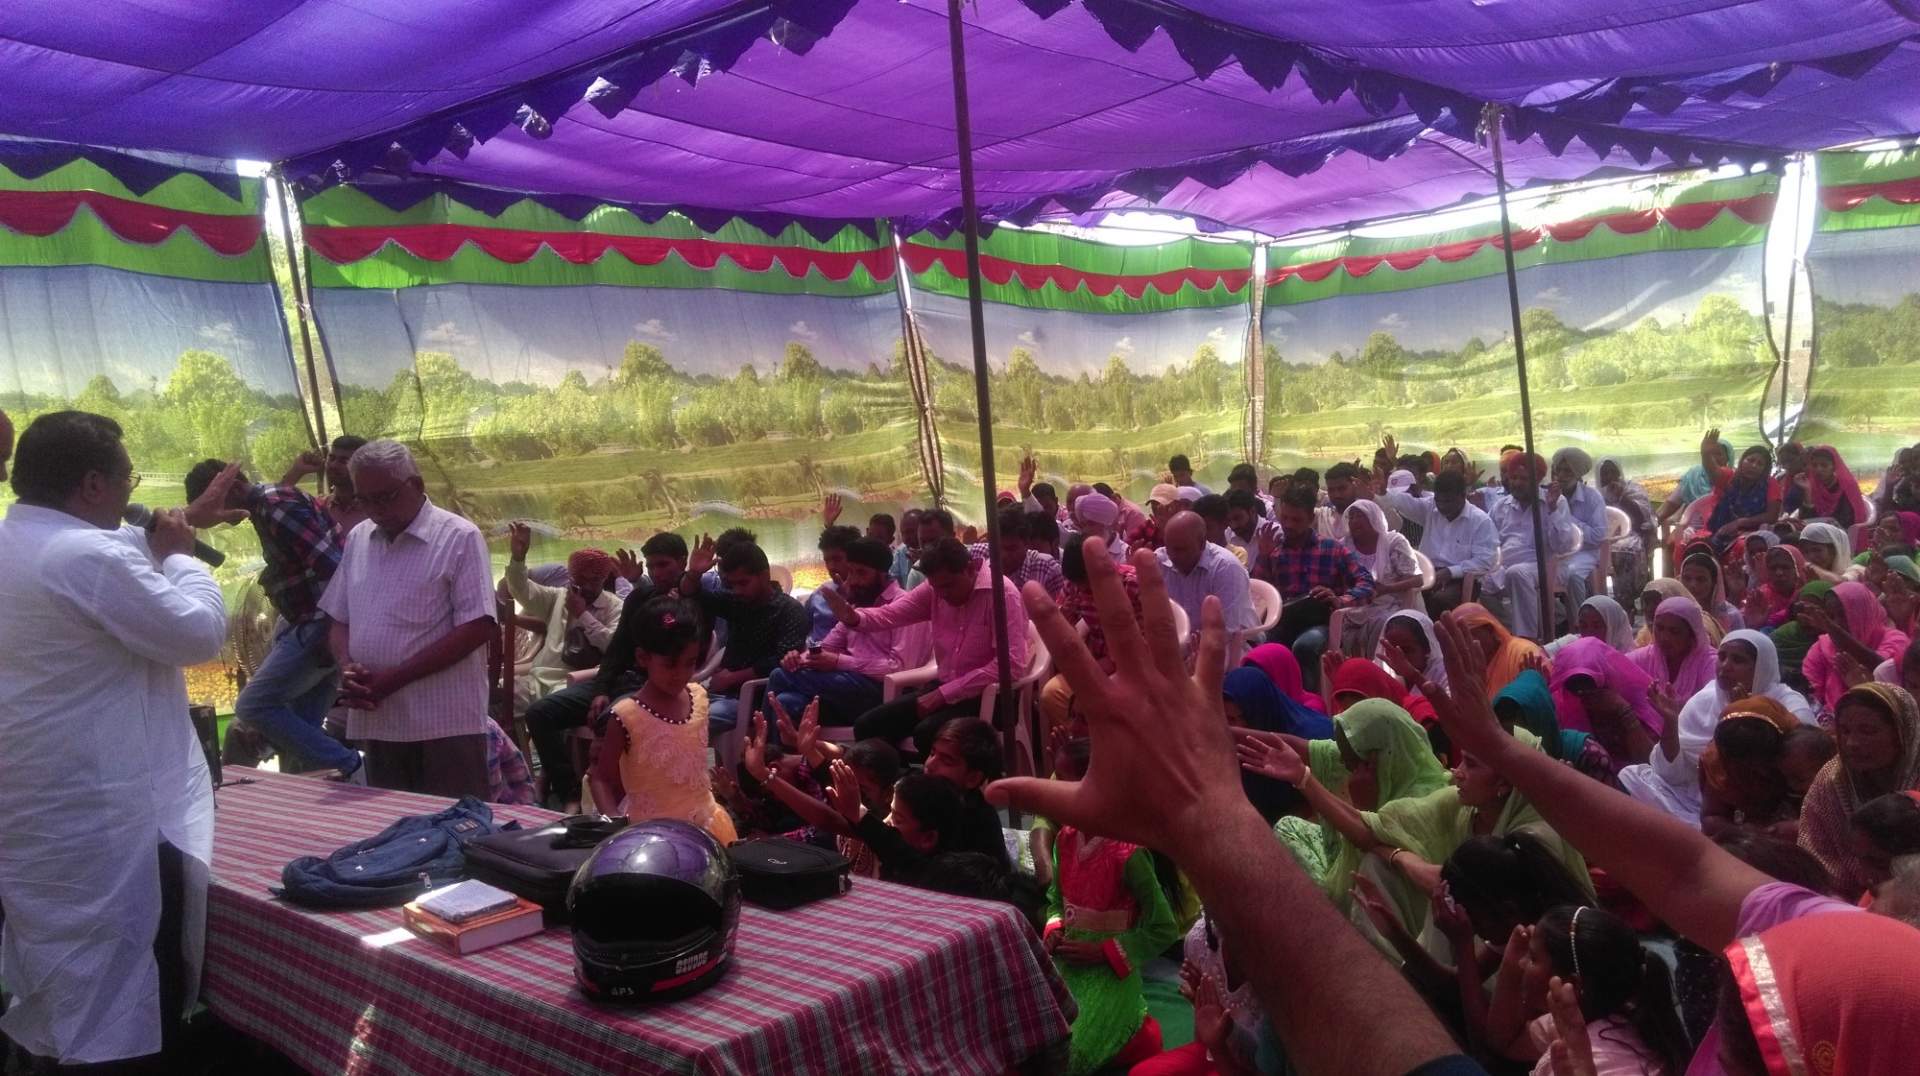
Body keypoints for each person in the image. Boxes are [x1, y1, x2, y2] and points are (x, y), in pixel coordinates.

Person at [986, 538, 1493, 1076]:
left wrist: (1205, 819)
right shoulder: (1283, 759)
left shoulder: (1424, 804)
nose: (1350, 771)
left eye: (1360, 762)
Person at [1419, 610, 1920, 1076]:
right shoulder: (1848, 945)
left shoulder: (1883, 989)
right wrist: (1499, 748)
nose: (1870, 895)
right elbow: (1687, 868)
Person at [0, 411, 228, 1069]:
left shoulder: (20, 541)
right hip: (103, 820)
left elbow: (111, 556)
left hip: (40, 812)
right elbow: (195, 634)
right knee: (113, 1001)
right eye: (128, 480)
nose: (134, 495)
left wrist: (183, 522)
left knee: (55, 983)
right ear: (95, 484)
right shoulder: (84, 555)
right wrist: (185, 561)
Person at [319, 440, 496, 796]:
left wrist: (395, 679)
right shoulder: (359, 538)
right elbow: (339, 618)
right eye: (365, 500)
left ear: (416, 485)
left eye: (386, 497)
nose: (377, 509)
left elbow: (478, 626)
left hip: (443, 723)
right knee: (394, 832)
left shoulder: (459, 537)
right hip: (380, 719)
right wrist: (347, 664)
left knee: (455, 826)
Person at [180, 454, 359, 778]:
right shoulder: (269, 505)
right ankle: (313, 792)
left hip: (318, 624)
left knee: (253, 705)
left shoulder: (275, 506)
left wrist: (331, 632)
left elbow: (334, 568)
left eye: (215, 503)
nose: (219, 518)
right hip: (313, 623)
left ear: (232, 487)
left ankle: (349, 764)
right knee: (299, 728)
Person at [1240, 699, 1450, 911]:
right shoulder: (1366, 760)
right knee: (1289, 827)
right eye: (1344, 760)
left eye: (1351, 762)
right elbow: (1303, 749)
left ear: (1379, 756)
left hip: (1390, 896)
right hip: (1358, 850)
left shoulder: (1424, 800)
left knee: (1371, 866)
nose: (1346, 767)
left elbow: (1369, 844)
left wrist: (1363, 806)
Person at [526, 530, 686, 810]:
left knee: (613, 719)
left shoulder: (687, 601)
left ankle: (619, 800)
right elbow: (617, 649)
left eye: (663, 565)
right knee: (539, 713)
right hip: (617, 681)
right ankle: (570, 792)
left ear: (682, 563)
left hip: (650, 687)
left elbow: (681, 649)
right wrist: (600, 689)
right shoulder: (639, 598)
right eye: (651, 566)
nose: (656, 572)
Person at [834, 537, 1028, 755]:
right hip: (946, 686)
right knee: (867, 726)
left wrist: (943, 695)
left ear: (970, 568)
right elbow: (892, 613)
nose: (942, 594)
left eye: (948, 586)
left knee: (927, 734)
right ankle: (895, 783)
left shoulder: (1002, 594)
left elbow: (1010, 665)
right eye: (937, 588)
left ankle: (947, 785)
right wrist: (854, 618)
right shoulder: (935, 588)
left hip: (992, 696)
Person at [1619, 630, 1814, 825]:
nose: (1725, 666)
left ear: (1761, 667)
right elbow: (1670, 774)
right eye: (1722, 657)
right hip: (1696, 797)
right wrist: (1671, 723)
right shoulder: (1706, 698)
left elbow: (1800, 768)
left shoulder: (1789, 703)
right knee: (1632, 776)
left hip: (1760, 805)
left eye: (1738, 660)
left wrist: (1748, 722)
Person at [587, 597, 738, 841]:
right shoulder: (627, 716)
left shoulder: (699, 696)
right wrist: (617, 828)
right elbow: (600, 778)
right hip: (653, 837)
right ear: (643, 658)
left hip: (708, 826)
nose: (681, 674)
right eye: (670, 665)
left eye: (690, 663)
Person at [1044, 811, 1181, 1076]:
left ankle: (1132, 1028)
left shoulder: (1129, 852)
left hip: (1110, 972)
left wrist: (1104, 952)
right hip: (1066, 960)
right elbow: (1056, 901)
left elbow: (1163, 928)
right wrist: (1055, 927)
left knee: (1067, 1057)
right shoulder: (1065, 838)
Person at [1485, 905, 1692, 1076]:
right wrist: (1511, 964)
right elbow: (1507, 1041)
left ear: (1573, 985)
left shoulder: (1605, 1062)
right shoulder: (1592, 1017)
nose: (1522, 964)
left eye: (1532, 958)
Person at [767, 537, 924, 728]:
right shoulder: (856, 606)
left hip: (885, 694)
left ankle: (760, 751)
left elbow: (900, 669)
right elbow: (827, 647)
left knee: (779, 676)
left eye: (861, 573)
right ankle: (777, 756)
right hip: (847, 689)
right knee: (787, 701)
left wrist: (839, 662)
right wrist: (799, 659)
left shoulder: (904, 606)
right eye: (851, 572)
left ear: (883, 574)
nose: (853, 581)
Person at [678, 536, 810, 738]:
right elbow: (692, 594)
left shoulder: (790, 611)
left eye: (743, 583)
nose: (737, 590)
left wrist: (732, 678)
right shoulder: (738, 602)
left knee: (687, 724)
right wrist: (694, 574)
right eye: (732, 584)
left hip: (755, 697)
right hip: (719, 689)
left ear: (764, 576)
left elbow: (782, 661)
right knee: (662, 712)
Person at [1798, 682, 1920, 900]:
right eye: (1844, 731)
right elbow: (1816, 856)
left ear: (1902, 732)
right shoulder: (1832, 780)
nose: (1851, 743)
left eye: (1868, 731)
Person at [502, 523, 621, 713]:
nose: (588, 587)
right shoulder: (557, 597)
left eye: (595, 581)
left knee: (546, 711)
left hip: (578, 683)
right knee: (490, 695)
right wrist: (518, 557)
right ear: (571, 578)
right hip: (537, 680)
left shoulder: (615, 606)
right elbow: (520, 589)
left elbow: (612, 646)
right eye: (582, 580)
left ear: (604, 579)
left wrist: (583, 615)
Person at [1249, 486, 1374, 654]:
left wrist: (1339, 600)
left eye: (1296, 520)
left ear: (1311, 518)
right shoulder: (1273, 550)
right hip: (1281, 620)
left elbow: (1367, 585)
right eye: (1284, 518)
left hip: (1320, 624)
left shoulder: (1333, 549)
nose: (1288, 525)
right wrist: (1263, 556)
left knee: (1305, 646)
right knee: (1260, 646)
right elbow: (1257, 592)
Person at [1042, 533, 1143, 729]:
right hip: (1093, 662)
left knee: (1089, 700)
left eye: (1085, 582)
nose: (1082, 589)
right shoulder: (1074, 586)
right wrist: (1066, 616)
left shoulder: (1132, 585)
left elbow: (1144, 643)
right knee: (1051, 694)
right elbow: (1060, 631)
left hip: (1132, 667)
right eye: (1077, 583)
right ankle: (1082, 747)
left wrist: (1095, 670)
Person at [1478, 451, 1581, 642]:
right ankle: (1509, 633)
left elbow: (1562, 545)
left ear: (1538, 479)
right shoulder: (1501, 506)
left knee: (1517, 574)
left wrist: (1551, 511)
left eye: (1524, 478)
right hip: (1505, 566)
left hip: (1547, 566)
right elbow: (1488, 541)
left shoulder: (1555, 502)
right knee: (1479, 583)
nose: (1517, 483)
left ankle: (1527, 640)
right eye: (1514, 477)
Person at [1377, 469, 1498, 618]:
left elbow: (1485, 561)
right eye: (1438, 500)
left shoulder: (1480, 521)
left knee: (1439, 601)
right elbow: (1403, 503)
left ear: (1463, 496)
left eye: (1448, 501)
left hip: (1460, 580)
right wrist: (1383, 492)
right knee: (1396, 595)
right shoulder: (1430, 507)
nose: (1442, 506)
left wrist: (1450, 572)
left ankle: (1433, 639)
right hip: (1427, 573)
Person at [1223, 665, 1332, 822]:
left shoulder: (1313, 736)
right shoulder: (1235, 743)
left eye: (1235, 719)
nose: (1233, 729)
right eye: (1225, 718)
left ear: (1259, 711)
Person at [1548, 637, 1664, 780]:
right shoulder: (1565, 702)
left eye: (1588, 686)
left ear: (1605, 674)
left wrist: (1623, 711)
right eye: (1574, 687)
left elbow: (1653, 764)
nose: (1582, 694)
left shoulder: (1634, 693)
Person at [1696, 697, 1802, 840]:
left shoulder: (1801, 751)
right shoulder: (1718, 762)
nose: (1759, 772)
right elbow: (1711, 817)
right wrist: (1745, 833)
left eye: (1763, 760)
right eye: (1745, 766)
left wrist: (1799, 827)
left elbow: (1830, 806)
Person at [1158, 511, 1258, 663]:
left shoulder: (1226, 568)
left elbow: (1226, 630)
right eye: (1168, 547)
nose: (1172, 555)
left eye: (1180, 549)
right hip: (1182, 647)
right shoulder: (1159, 561)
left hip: (1233, 644)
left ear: (1202, 544)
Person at [1800, 580, 1912, 712]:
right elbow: (1811, 695)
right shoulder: (1822, 646)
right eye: (1831, 617)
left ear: (1863, 611)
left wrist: (1833, 630)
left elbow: (1885, 671)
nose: (1837, 622)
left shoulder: (1896, 639)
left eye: (1843, 615)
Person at [1343, 498, 1423, 643]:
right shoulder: (1344, 545)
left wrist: (1386, 589)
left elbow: (1417, 579)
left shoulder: (1394, 542)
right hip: (1355, 603)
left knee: (1383, 622)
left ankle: (1380, 663)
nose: (1354, 521)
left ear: (1374, 518)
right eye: (1351, 517)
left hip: (1391, 602)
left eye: (1360, 516)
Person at [1547, 448, 1609, 614]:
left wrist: (1566, 517)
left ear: (1578, 474)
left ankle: (1579, 622)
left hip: (1585, 553)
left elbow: (1598, 536)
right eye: (1558, 470)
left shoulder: (1592, 497)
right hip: (1556, 553)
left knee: (1573, 575)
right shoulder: (1548, 496)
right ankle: (1556, 619)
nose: (1561, 476)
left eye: (1567, 471)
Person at [1696, 433, 1782, 552]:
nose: (1754, 466)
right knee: (1695, 546)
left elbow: (1772, 516)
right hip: (1718, 530)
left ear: (1765, 470)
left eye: (1760, 464)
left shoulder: (1770, 484)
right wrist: (1705, 454)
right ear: (1742, 461)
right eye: (1750, 460)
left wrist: (1740, 523)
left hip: (1753, 534)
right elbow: (1713, 471)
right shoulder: (1729, 476)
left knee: (1741, 547)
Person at [1625, 597, 1718, 702]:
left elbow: (1715, 705)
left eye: (1674, 631)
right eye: (1659, 628)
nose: (1664, 637)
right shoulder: (1644, 657)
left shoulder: (1710, 663)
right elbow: (1616, 668)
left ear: (1691, 635)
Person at [1452, 602, 1546, 699]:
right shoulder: (1465, 665)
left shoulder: (1524, 653)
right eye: (1459, 641)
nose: (1464, 646)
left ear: (1489, 630)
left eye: (1469, 637)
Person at [281, 433, 370, 533]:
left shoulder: (374, 511)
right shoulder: (320, 507)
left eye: (344, 461)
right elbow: (276, 510)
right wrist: (297, 471)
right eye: (331, 458)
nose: (333, 465)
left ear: (362, 466)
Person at [970, 507, 1066, 598]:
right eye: (997, 548)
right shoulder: (978, 554)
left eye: (1011, 549)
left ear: (1027, 544)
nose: (1003, 555)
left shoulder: (1047, 569)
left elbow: (1059, 611)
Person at [1597, 457, 1656, 604]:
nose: (1610, 477)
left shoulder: (1633, 490)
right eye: (1605, 473)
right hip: (1602, 537)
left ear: (1620, 473)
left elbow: (1642, 520)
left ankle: (1626, 601)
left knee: (1626, 551)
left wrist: (1622, 497)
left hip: (1631, 533)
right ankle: (1599, 598)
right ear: (1599, 476)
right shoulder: (1595, 495)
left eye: (1613, 472)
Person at [806, 523, 863, 643]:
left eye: (837, 559)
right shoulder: (818, 595)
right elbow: (804, 631)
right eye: (827, 560)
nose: (831, 567)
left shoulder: (870, 598)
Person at [1794, 444, 1868, 529]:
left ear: (1834, 467)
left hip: (1842, 533)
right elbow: (1805, 519)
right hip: (1816, 531)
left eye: (1824, 465)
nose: (1818, 469)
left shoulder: (1847, 486)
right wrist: (1807, 491)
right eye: (1814, 465)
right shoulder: (1814, 486)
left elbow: (1847, 520)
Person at [1242, 642, 1327, 715]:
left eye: (1261, 678)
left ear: (1281, 674)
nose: (1252, 683)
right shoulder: (1243, 708)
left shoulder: (1311, 709)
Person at [1740, 544, 1807, 631]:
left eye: (1785, 567)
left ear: (1798, 569)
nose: (1779, 573)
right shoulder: (1761, 595)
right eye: (1773, 568)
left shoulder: (1808, 594)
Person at [1548, 594, 1635, 656]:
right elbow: (1538, 654)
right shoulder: (1573, 643)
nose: (1589, 633)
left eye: (1596, 626)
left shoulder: (1631, 660)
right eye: (1583, 626)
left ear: (1613, 628)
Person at [1679, 551, 1743, 635]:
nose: (1693, 585)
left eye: (1701, 579)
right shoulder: (1674, 612)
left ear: (1714, 583)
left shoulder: (1731, 616)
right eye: (1687, 578)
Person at [1312, 462, 1366, 544]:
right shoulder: (1321, 515)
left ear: (1355, 486)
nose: (1336, 495)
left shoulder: (1369, 516)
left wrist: (1372, 497)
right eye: (1331, 490)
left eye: (1342, 488)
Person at [1192, 494, 1248, 568]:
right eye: (1197, 529)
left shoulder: (1237, 555)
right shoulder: (1193, 555)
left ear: (1225, 523)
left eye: (1207, 528)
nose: (1201, 535)